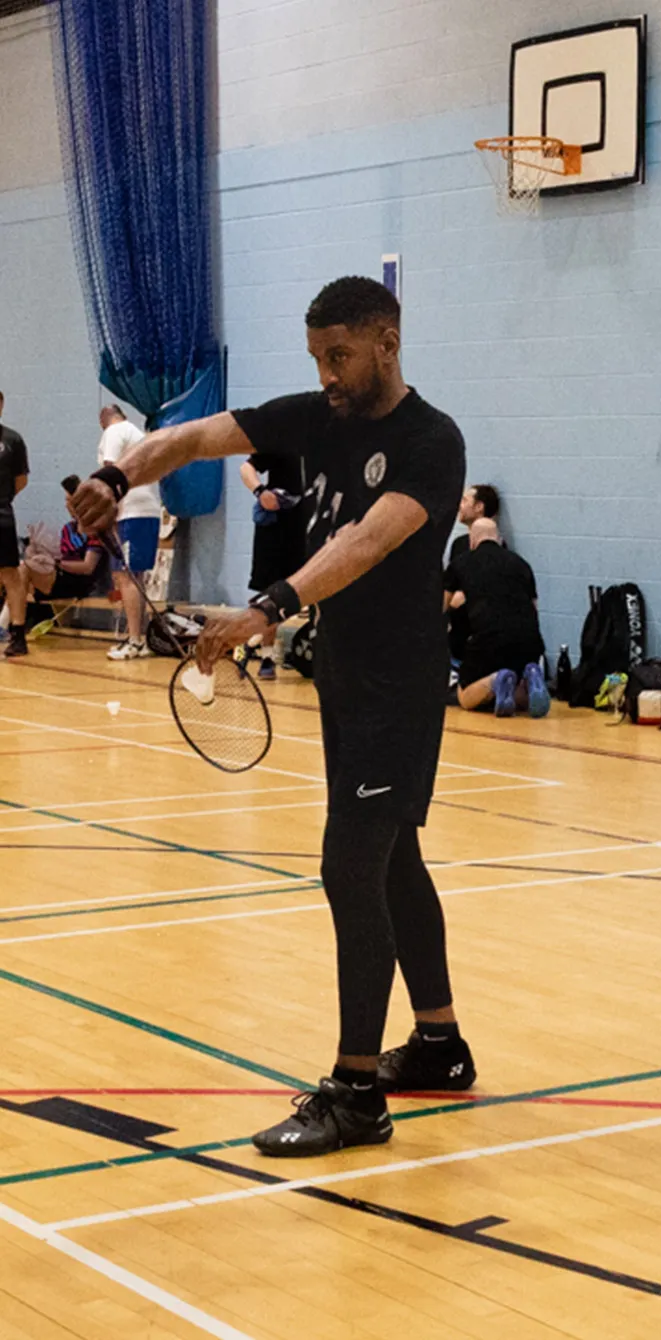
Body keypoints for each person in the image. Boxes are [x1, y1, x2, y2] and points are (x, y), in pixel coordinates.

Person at [71, 276, 473, 1157]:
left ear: (387, 342)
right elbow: (189, 439)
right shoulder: (313, 416)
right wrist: (113, 473)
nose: (327, 375)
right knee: (394, 855)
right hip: (344, 678)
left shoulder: (431, 442)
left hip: (397, 689)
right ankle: (439, 1044)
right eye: (317, 358)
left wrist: (266, 608)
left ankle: (357, 1092)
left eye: (341, 356)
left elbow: (365, 541)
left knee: (349, 866)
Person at [447, 516, 548, 717]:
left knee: (465, 697)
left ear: (471, 541)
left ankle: (496, 679)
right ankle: (529, 678)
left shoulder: (461, 563)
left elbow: (439, 607)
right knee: (520, 701)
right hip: (530, 642)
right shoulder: (522, 564)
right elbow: (533, 609)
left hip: (488, 640)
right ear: (499, 539)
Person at [1, 498, 107, 657]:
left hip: (81, 581)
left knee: (22, 571)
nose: (66, 504)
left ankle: (8, 628)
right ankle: (14, 633)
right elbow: (60, 556)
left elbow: (87, 567)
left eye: (70, 500)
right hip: (59, 576)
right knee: (20, 570)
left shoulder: (95, 533)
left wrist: (56, 563)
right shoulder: (68, 529)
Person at [96, 405, 160, 661]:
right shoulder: (135, 433)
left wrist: (105, 514)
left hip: (133, 512)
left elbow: (109, 473)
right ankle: (136, 637)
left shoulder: (115, 431)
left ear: (104, 419)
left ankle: (135, 641)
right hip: (143, 511)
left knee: (127, 576)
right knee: (132, 577)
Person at [239, 451, 308, 680]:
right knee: (272, 594)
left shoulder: (328, 441)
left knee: (307, 594)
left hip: (307, 525)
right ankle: (266, 655)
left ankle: (252, 641)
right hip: (276, 527)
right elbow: (246, 469)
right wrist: (261, 492)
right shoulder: (282, 436)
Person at [444, 483, 501, 668]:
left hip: (480, 631)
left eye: (465, 500)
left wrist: (467, 594)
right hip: (456, 632)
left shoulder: (497, 550)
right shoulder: (459, 545)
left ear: (479, 507)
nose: (459, 505)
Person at [0, 391, 31, 659]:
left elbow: (21, 480)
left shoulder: (12, 440)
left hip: (1, 516)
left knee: (10, 574)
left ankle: (18, 634)